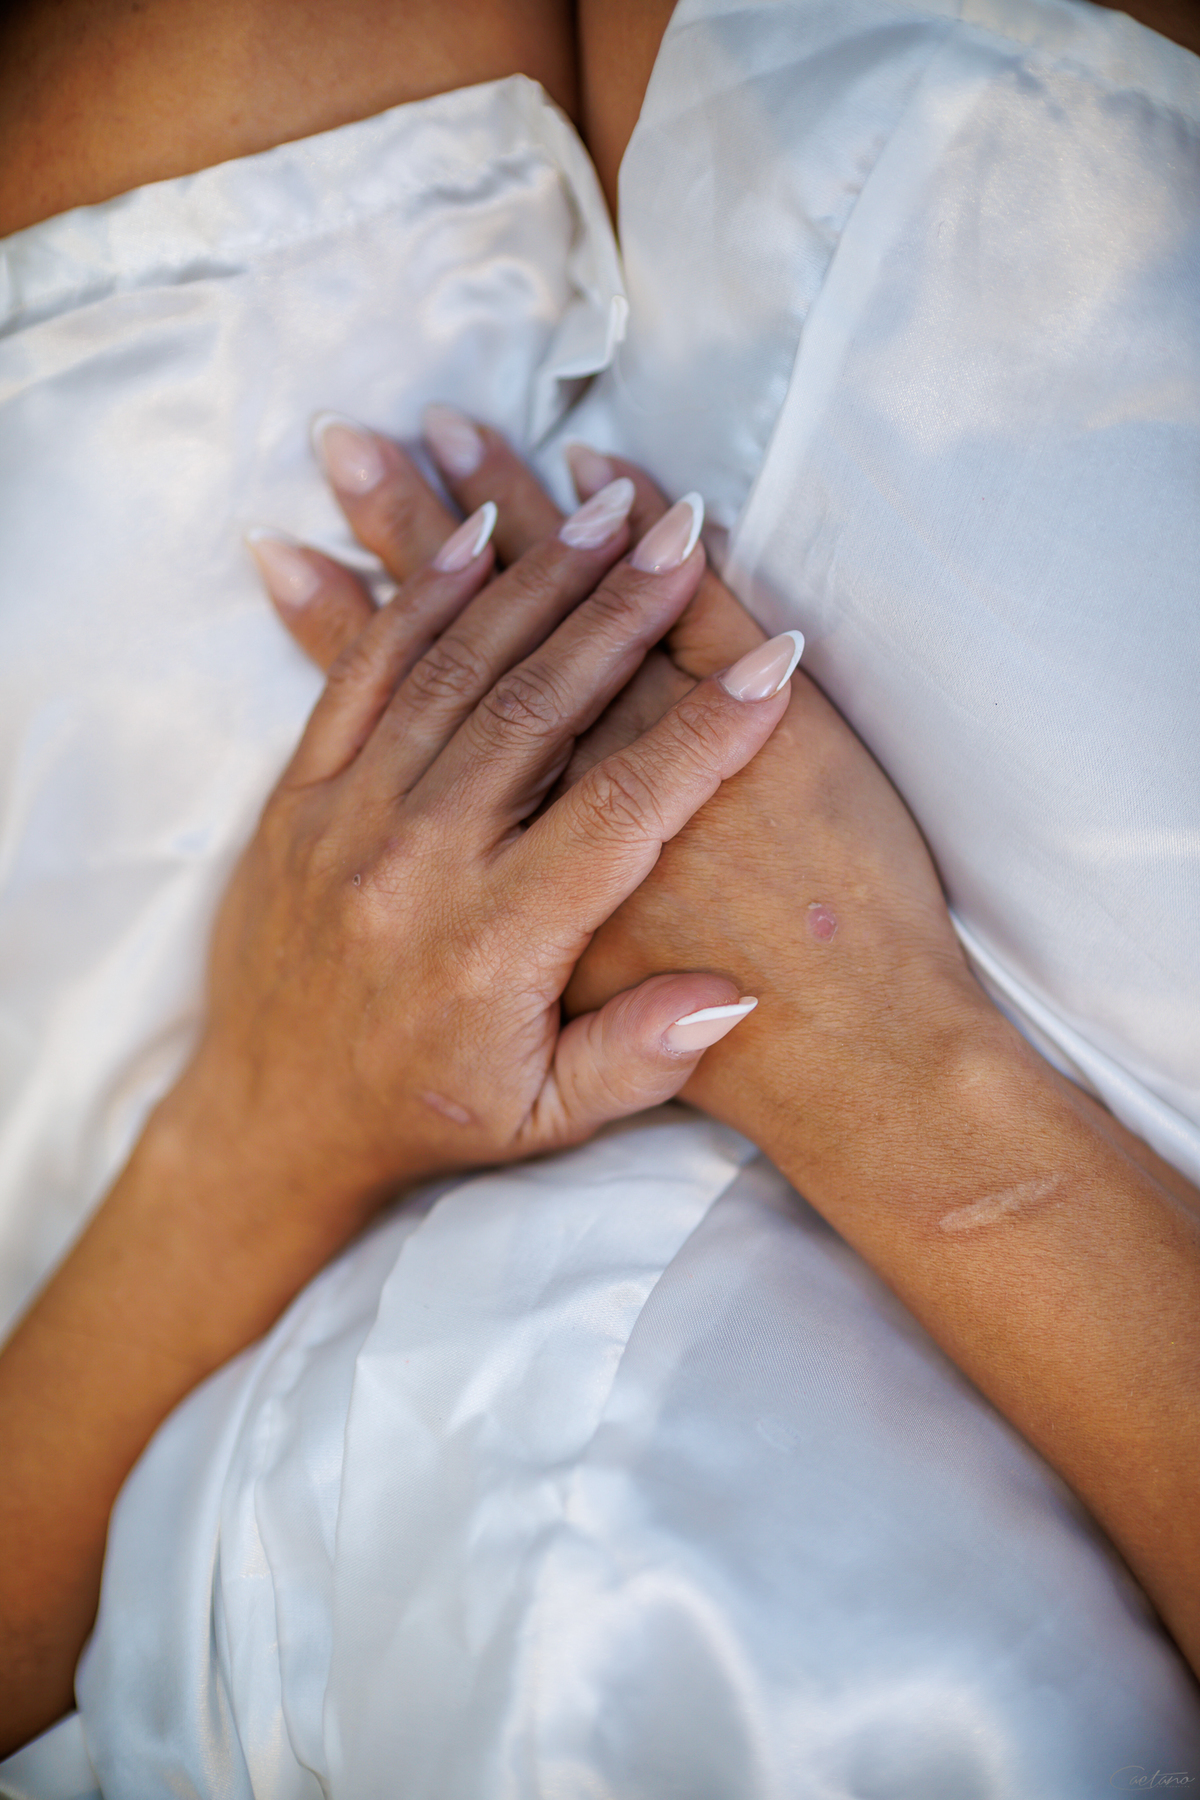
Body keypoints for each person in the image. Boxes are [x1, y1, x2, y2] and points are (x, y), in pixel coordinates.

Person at [0, 0, 1198, 1792]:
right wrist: (898, 1068)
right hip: (1109, 1138)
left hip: (187, 1321)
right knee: (967, 126)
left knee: (244, 67)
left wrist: (268, 1116)